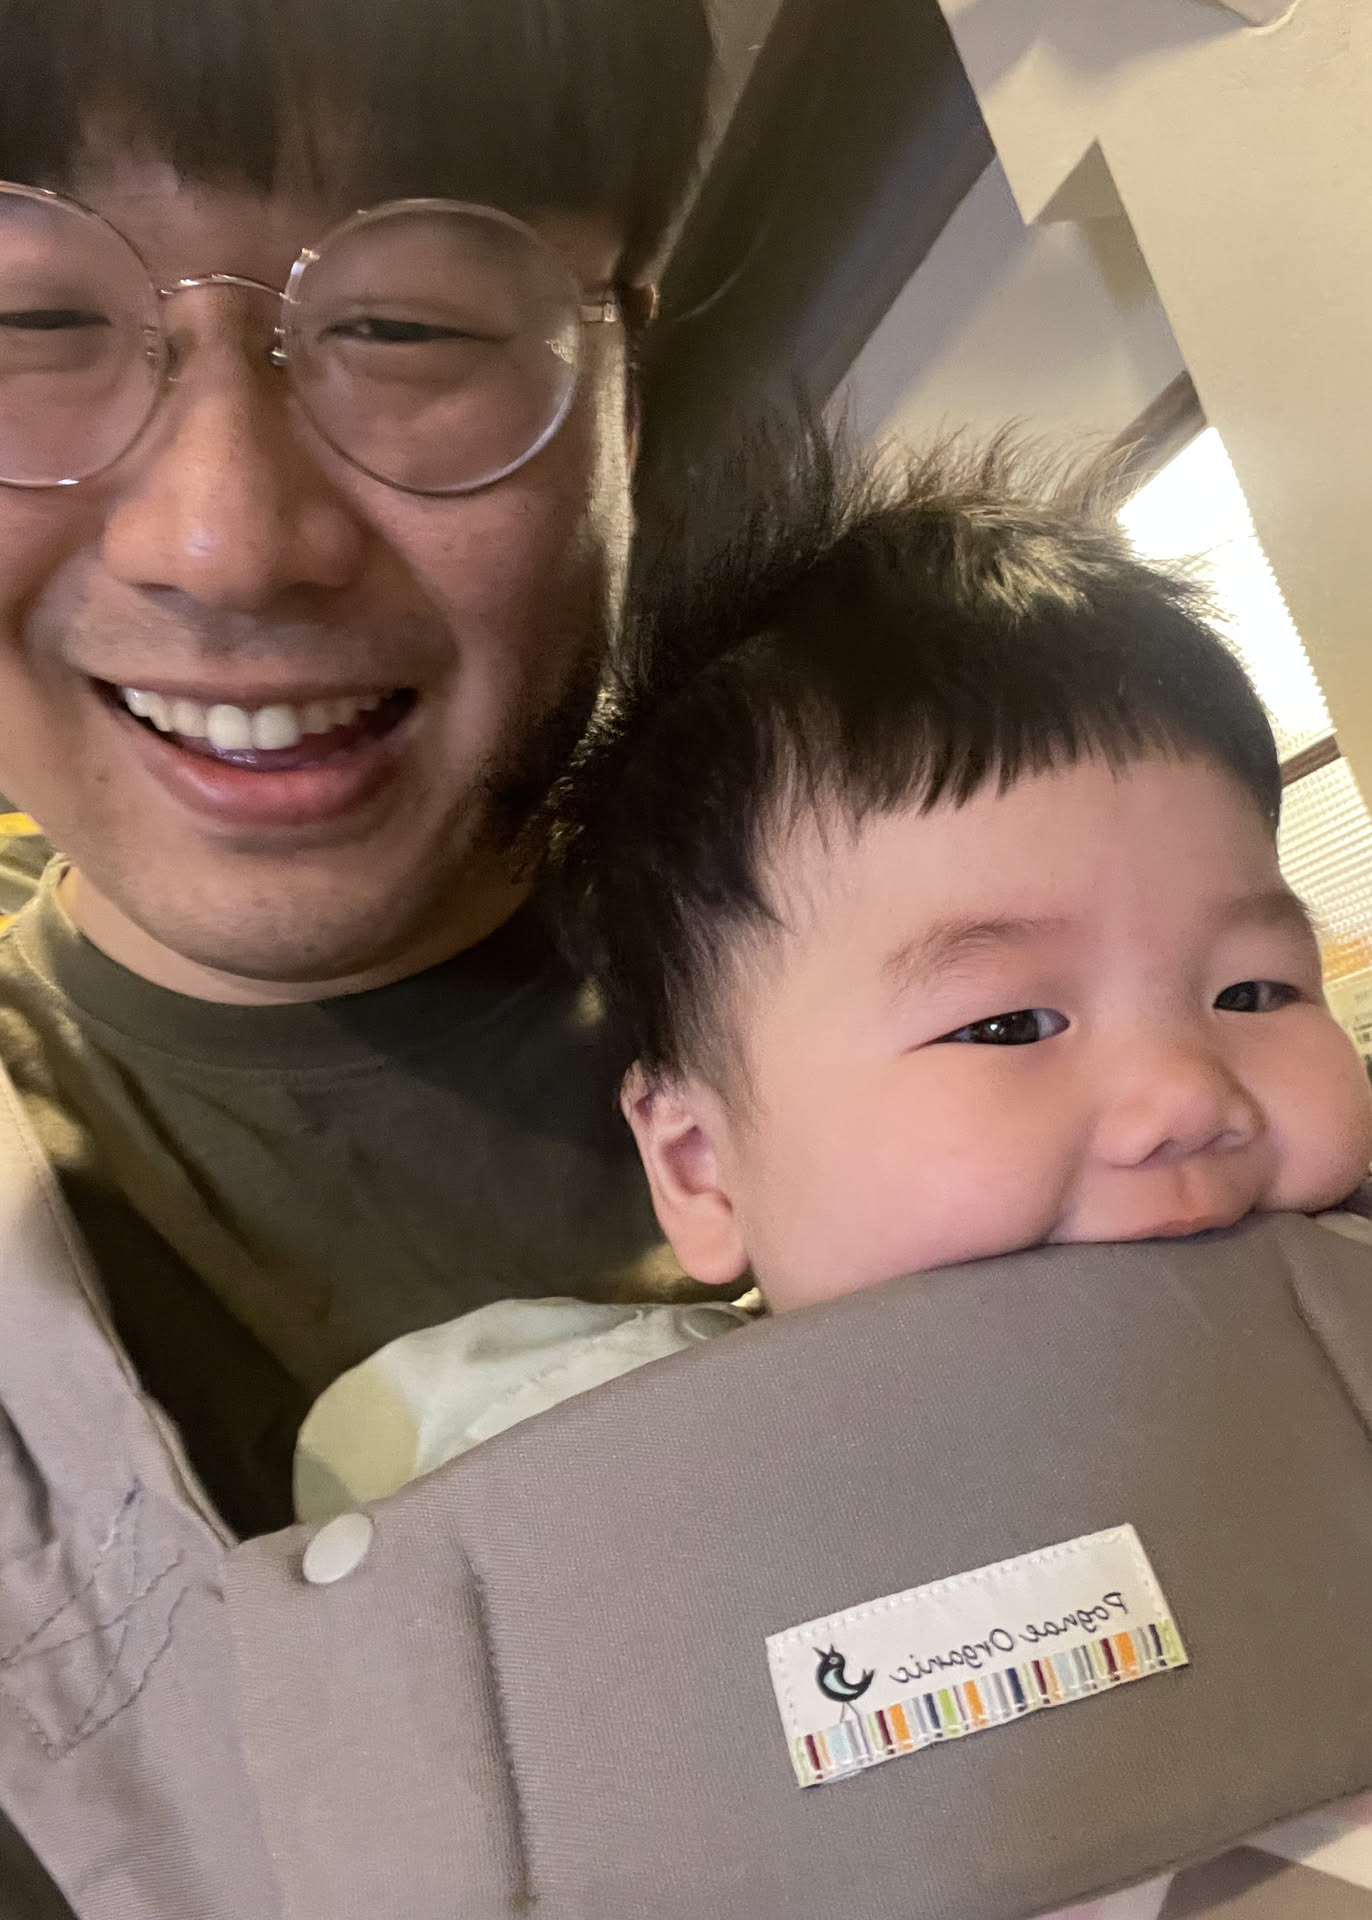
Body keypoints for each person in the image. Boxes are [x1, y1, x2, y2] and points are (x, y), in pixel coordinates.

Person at [297, 431, 1372, 1915]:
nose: (1185, 1096)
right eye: (1007, 1022)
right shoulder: (585, 1491)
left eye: (1254, 992)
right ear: (702, 1165)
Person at [0, 0, 711, 1910]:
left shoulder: (1049, 1022)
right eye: (33, 324)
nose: (228, 540)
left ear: (624, 390)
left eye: (406, 327)